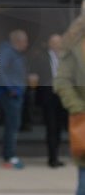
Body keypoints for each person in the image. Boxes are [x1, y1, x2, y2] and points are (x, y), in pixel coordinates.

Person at [54, 12, 85, 195]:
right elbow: (62, 82)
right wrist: (78, 109)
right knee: (84, 183)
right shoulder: (74, 47)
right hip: (84, 119)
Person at [29, 33, 68, 167]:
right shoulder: (41, 58)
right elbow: (33, 77)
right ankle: (52, 158)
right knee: (51, 127)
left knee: (59, 128)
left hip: (63, 96)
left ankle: (57, 154)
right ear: (50, 44)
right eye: (55, 42)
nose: (58, 45)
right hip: (49, 96)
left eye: (60, 42)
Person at [0, 29, 29, 169]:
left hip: (16, 93)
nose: (27, 44)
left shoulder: (15, 54)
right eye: (25, 41)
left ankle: (9, 155)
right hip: (10, 95)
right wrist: (11, 88)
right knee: (13, 125)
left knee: (14, 125)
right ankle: (9, 156)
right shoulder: (7, 52)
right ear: (18, 41)